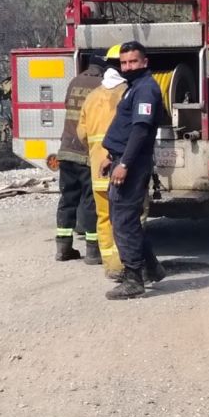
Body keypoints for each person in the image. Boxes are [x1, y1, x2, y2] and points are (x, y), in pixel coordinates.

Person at [99, 41, 166, 299]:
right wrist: (110, 155)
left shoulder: (146, 89)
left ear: (144, 62)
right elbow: (126, 127)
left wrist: (124, 163)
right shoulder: (134, 87)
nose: (128, 67)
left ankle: (133, 279)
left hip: (133, 164)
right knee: (126, 220)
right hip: (122, 159)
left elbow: (139, 130)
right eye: (124, 63)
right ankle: (152, 268)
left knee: (124, 221)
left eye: (133, 62)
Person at [75, 46, 126, 275]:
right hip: (123, 169)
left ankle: (111, 266)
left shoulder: (92, 97)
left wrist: (96, 152)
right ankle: (128, 262)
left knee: (104, 217)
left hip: (98, 170)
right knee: (128, 217)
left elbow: (81, 134)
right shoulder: (128, 93)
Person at [54, 62, 103, 262]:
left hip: (66, 151)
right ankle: (92, 250)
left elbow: (68, 105)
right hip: (85, 153)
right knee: (90, 200)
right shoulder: (101, 86)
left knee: (68, 199)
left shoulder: (75, 81)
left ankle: (63, 249)